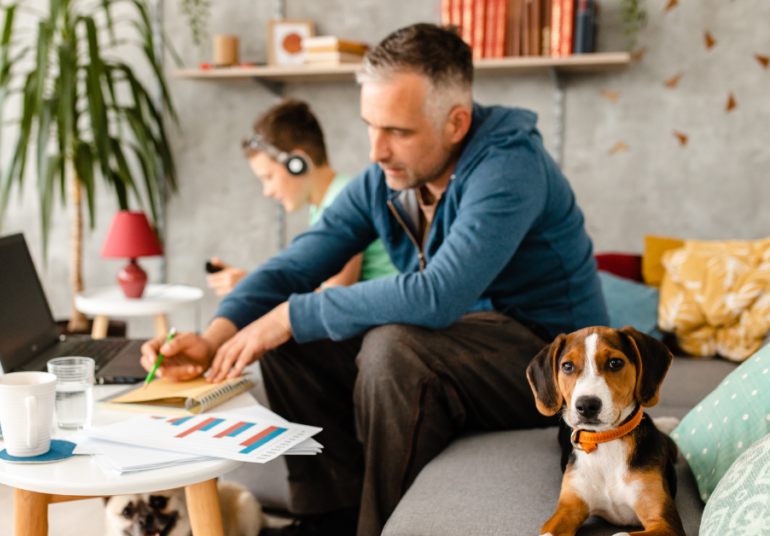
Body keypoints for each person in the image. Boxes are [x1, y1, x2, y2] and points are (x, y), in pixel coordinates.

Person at [142, 24, 609, 536]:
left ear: (456, 123)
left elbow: (440, 295)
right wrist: (214, 339)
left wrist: (293, 314)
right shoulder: (388, 179)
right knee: (286, 341)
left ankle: (376, 529)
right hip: (466, 347)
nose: (376, 151)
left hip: (552, 366)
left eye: (398, 132)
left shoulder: (509, 166)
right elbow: (296, 264)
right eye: (371, 126)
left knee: (392, 348)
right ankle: (328, 519)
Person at [206, 99, 399, 297]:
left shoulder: (342, 203)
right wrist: (255, 283)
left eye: (268, 177)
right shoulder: (326, 203)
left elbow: (332, 299)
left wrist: (255, 287)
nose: (267, 191)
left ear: (296, 163)